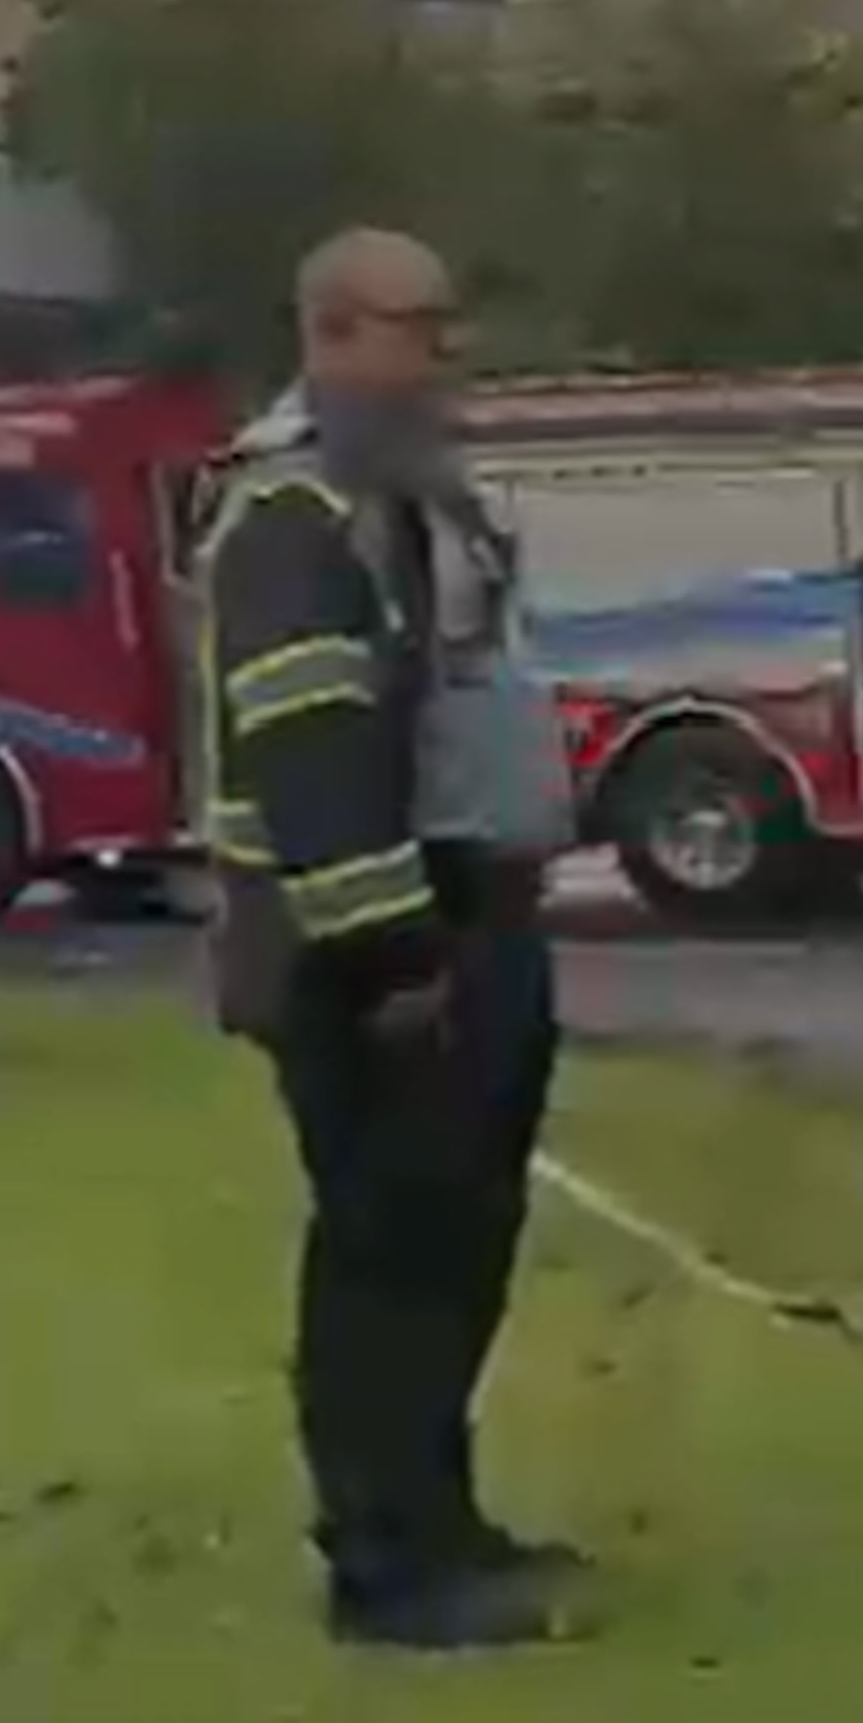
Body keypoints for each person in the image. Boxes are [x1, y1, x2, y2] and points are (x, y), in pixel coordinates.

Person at [197, 227, 581, 1651]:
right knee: (387, 1256)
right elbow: (313, 764)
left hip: (464, 925)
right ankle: (386, 1566)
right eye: (418, 327)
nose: (444, 357)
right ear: (333, 334)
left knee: (458, 1242)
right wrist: (399, 960)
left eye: (447, 324)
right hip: (370, 957)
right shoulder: (292, 523)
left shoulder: (406, 504)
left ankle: (440, 1518)